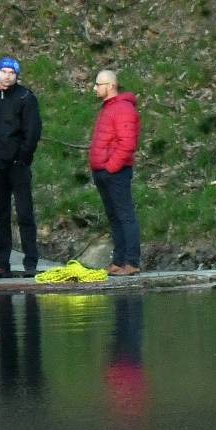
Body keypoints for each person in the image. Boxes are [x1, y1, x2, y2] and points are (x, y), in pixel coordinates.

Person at [0, 57, 43, 279]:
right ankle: (1, 261)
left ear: (17, 76)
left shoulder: (25, 97)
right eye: (4, 71)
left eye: (12, 73)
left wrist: (23, 157)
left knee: (24, 213)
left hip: (18, 164)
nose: (7, 76)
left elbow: (32, 131)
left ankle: (30, 261)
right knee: (0, 214)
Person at [90, 68, 142, 275]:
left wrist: (111, 166)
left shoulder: (123, 109)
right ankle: (119, 260)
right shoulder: (108, 108)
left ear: (110, 86)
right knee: (114, 216)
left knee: (125, 215)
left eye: (98, 84)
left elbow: (127, 143)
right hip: (103, 171)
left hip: (115, 172)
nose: (95, 88)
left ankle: (132, 261)